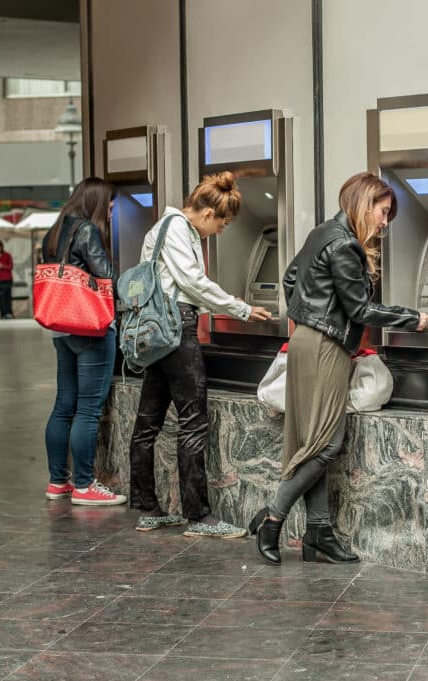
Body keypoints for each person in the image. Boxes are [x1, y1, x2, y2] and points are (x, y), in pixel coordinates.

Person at [249, 172, 428, 566]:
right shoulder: (345, 246)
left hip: (307, 341)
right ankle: (271, 516)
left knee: (313, 440)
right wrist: (413, 317)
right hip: (324, 348)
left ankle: (318, 533)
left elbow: (290, 278)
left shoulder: (322, 232)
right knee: (325, 444)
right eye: (383, 212)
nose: (385, 223)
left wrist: (308, 315)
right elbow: (360, 310)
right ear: (364, 204)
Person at [128, 171, 272, 537]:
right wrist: (238, 308)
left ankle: (148, 508)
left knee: (148, 422)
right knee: (193, 422)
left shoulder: (165, 228)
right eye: (222, 224)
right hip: (176, 329)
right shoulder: (177, 228)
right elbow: (192, 282)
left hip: (158, 331)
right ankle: (199, 517)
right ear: (207, 214)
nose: (221, 231)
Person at [42, 177, 126, 506]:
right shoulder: (86, 231)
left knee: (64, 405)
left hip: (60, 326)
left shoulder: (55, 230)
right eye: (109, 204)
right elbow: (105, 276)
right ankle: (84, 485)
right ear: (95, 202)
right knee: (88, 411)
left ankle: (57, 482)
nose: (111, 210)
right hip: (88, 327)